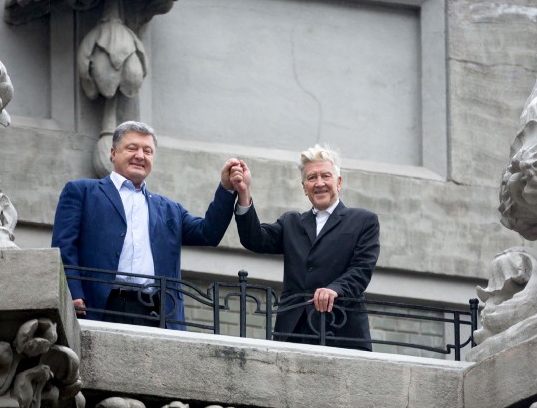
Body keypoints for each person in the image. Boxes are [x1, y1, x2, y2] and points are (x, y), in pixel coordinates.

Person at [52, 120, 240, 328]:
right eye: (132, 148)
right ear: (113, 153)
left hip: (156, 313)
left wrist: (226, 189)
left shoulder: (169, 209)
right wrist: (73, 292)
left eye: (147, 151)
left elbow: (208, 233)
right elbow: (64, 247)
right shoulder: (82, 192)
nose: (140, 156)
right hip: (99, 306)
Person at [231, 145, 380, 351]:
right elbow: (255, 239)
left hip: (342, 331)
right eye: (312, 178)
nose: (319, 183)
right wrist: (244, 193)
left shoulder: (364, 220)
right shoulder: (291, 222)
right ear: (304, 187)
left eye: (325, 176)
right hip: (293, 332)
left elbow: (361, 269)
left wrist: (333, 290)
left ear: (338, 182)